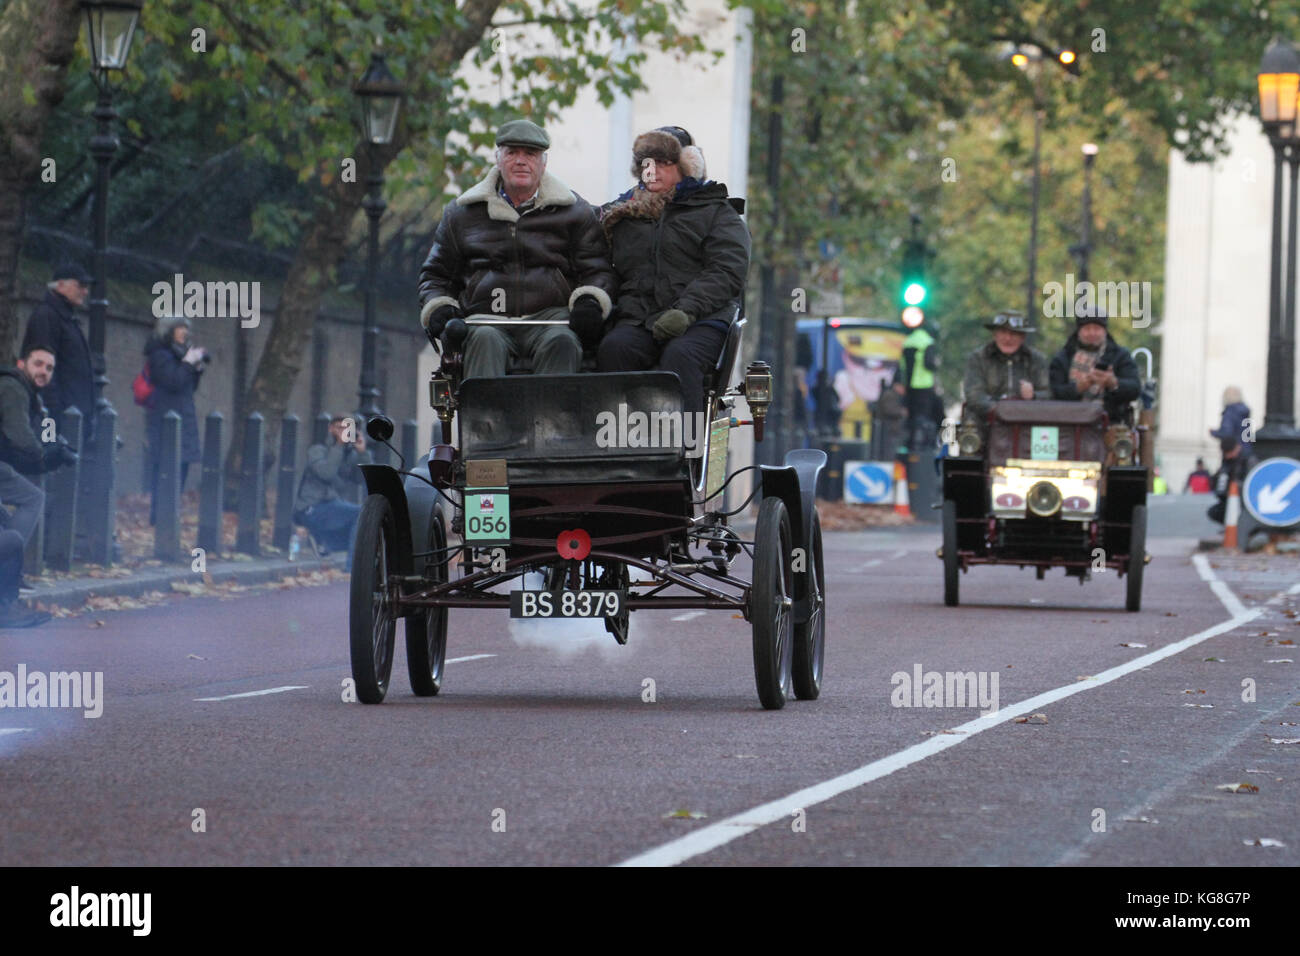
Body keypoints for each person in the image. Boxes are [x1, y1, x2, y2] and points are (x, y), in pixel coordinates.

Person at [418, 119, 616, 378]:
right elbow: (436, 276)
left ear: (543, 163)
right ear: (498, 159)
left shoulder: (575, 211)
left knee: (563, 342)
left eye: (530, 154)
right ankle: (486, 419)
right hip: (486, 318)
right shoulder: (461, 213)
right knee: (485, 341)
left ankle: (551, 419)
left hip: (551, 318)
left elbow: (597, 269)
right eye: (512, 153)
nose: (521, 161)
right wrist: (439, 307)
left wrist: (590, 300)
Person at [596, 127, 750, 416]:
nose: (652, 170)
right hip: (640, 318)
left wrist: (687, 310)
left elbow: (727, 270)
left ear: (686, 166)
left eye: (663, 162)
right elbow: (599, 266)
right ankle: (620, 448)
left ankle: (685, 451)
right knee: (614, 349)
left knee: (681, 355)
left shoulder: (717, 212)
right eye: (646, 163)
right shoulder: (618, 215)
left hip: (702, 320)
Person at [0, 344, 79, 543]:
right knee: (33, 498)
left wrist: (50, 453)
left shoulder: (31, 394)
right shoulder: (14, 387)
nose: (43, 371)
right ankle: (7, 563)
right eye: (38, 364)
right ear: (21, 364)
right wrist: (43, 455)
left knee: (6, 521)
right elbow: (19, 435)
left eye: (49, 368)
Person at [21, 261, 96, 445]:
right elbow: (41, 371)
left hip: (72, 417)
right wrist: (55, 416)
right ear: (60, 285)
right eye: (80, 285)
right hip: (61, 419)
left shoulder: (66, 318)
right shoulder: (47, 316)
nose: (85, 291)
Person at [144, 316, 207, 525]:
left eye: (186, 328)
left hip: (184, 416)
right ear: (168, 330)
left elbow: (187, 386)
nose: (184, 332)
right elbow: (172, 381)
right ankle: (159, 518)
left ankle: (170, 515)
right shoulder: (160, 355)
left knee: (182, 468)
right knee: (165, 469)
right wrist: (188, 364)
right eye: (180, 328)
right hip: (166, 419)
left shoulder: (181, 354)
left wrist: (196, 369)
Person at [293, 416, 369, 571]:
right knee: (361, 514)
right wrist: (339, 446)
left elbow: (362, 479)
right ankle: (352, 567)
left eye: (347, 428)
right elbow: (326, 473)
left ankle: (323, 542)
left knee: (367, 518)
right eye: (340, 427)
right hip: (311, 507)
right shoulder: (317, 450)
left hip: (332, 507)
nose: (343, 431)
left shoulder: (350, 454)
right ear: (330, 428)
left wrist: (362, 453)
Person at [1049, 310, 1140, 423]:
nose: (1092, 333)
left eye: (1097, 329)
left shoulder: (1120, 356)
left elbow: (1135, 389)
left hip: (1111, 422)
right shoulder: (1063, 358)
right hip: (1069, 423)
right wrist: (1079, 387)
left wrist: (1113, 383)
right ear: (1079, 331)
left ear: (1105, 331)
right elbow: (1054, 392)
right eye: (1087, 329)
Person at [961, 311, 1050, 424]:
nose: (1008, 338)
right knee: (970, 430)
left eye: (1013, 333)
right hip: (987, 420)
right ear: (995, 334)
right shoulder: (978, 358)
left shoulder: (1037, 360)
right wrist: (1000, 410)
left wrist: (1033, 396)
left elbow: (1049, 393)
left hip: (1028, 420)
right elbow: (974, 395)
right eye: (1003, 332)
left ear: (1022, 337)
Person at [1208, 435, 1255, 525]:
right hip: (1230, 498)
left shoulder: (1247, 459)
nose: (1228, 456)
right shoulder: (1227, 462)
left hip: (1243, 499)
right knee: (1214, 512)